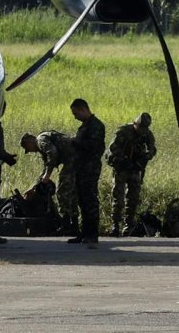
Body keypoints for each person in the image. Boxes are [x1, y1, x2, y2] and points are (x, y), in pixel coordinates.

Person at [105, 112, 157, 236]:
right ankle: (115, 225)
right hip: (121, 167)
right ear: (135, 124)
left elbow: (152, 149)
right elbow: (113, 149)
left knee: (133, 198)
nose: (143, 131)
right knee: (119, 198)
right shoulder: (123, 132)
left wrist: (145, 158)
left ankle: (129, 225)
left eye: (145, 128)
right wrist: (125, 161)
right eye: (141, 127)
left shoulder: (147, 134)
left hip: (135, 168)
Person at [69, 98, 105, 246]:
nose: (75, 116)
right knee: (82, 201)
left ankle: (92, 234)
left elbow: (92, 146)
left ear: (83, 109)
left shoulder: (96, 126)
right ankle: (84, 233)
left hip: (90, 169)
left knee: (90, 201)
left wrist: (73, 141)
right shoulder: (85, 126)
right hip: (81, 168)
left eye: (76, 113)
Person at [20, 129, 75, 225]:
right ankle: (73, 224)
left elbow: (52, 153)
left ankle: (67, 224)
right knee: (72, 193)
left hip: (73, 159)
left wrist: (48, 174)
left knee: (62, 191)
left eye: (27, 148)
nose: (31, 151)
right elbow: (44, 169)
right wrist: (32, 188)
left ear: (29, 141)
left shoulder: (40, 140)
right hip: (75, 159)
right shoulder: (42, 145)